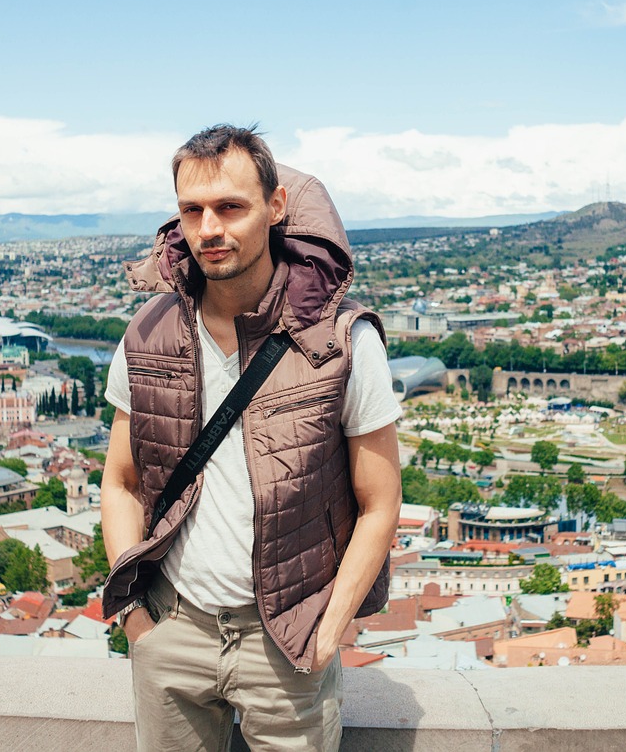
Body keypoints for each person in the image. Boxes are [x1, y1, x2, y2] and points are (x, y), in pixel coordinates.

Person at [100, 124, 402, 751]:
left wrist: (328, 631)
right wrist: (136, 622)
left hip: (287, 639)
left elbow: (380, 502)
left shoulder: (342, 342)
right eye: (192, 210)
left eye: (230, 206)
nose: (209, 228)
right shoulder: (147, 334)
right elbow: (121, 482)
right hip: (173, 627)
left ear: (276, 206)